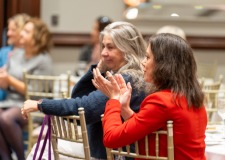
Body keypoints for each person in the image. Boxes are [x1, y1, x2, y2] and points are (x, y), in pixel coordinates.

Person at [22, 21, 147, 159]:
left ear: (127, 49)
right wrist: (99, 69)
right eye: (103, 47)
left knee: (46, 149)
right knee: (46, 147)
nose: (104, 53)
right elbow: (78, 96)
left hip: (115, 154)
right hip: (103, 149)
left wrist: (41, 105)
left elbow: (84, 108)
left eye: (110, 48)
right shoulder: (120, 73)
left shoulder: (126, 78)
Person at [92, 33, 207, 160]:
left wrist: (113, 100)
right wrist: (124, 108)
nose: (143, 63)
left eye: (147, 57)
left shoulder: (161, 101)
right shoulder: (192, 98)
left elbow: (111, 139)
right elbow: (145, 127)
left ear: (163, 65)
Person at [0, 17, 53, 160]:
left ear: (37, 37)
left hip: (33, 105)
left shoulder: (43, 60)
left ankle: (21, 157)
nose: (21, 33)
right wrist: (3, 78)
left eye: (26, 31)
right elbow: (6, 85)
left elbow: (35, 92)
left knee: (6, 118)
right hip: (11, 101)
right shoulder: (16, 54)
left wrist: (10, 79)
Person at [0, 13, 30, 101]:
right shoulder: (3, 51)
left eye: (13, 30)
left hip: (18, 100)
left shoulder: (31, 54)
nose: (8, 33)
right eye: (8, 29)